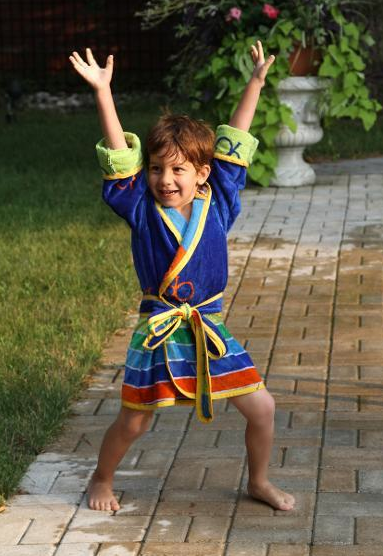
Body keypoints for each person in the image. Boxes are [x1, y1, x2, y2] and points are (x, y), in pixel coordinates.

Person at [69, 42, 295, 513]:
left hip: (208, 329)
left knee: (264, 407)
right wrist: (103, 94)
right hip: (160, 332)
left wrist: (254, 83)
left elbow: (236, 137)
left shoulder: (223, 200)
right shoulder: (139, 208)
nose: (165, 179)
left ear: (203, 174)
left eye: (178, 169)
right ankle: (101, 477)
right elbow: (118, 157)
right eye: (156, 168)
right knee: (135, 423)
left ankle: (259, 480)